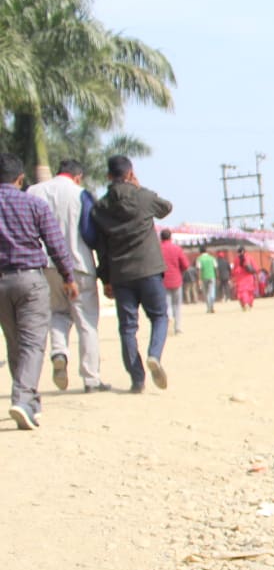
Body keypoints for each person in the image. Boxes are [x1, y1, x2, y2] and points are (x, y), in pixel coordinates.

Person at [0, 153, 80, 428]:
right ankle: (22, 399)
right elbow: (55, 243)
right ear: (20, 179)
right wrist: (68, 276)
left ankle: (29, 403)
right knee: (32, 344)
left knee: (14, 344)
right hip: (31, 280)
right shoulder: (33, 204)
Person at [26, 157, 110, 394]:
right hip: (78, 262)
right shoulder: (80, 194)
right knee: (87, 322)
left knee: (57, 312)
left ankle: (59, 351)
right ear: (78, 176)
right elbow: (90, 233)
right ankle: (91, 378)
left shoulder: (34, 190)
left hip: (45, 266)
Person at [91, 155, 173, 393]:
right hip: (149, 270)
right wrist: (139, 187)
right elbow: (166, 208)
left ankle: (137, 379)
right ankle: (154, 355)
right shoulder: (143, 197)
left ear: (108, 177)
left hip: (120, 275)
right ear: (130, 173)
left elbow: (101, 247)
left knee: (127, 327)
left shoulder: (100, 208)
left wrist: (105, 278)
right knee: (159, 317)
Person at [158, 228, 189, 334]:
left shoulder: (158, 249)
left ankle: (169, 318)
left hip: (163, 281)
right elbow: (185, 264)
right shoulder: (177, 249)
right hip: (176, 280)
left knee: (167, 304)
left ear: (160, 237)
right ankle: (178, 327)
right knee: (177, 304)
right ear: (170, 237)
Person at [232, 245, 257, 310]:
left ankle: (245, 304)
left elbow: (234, 270)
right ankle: (249, 303)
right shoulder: (249, 257)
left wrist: (234, 277)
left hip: (240, 278)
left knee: (242, 292)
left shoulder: (236, 259)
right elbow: (255, 268)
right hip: (249, 278)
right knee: (249, 292)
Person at [196, 244, 217, 312]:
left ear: (200, 251)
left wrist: (199, 279)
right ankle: (212, 304)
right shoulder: (212, 258)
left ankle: (208, 308)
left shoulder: (199, 259)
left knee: (206, 293)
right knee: (212, 291)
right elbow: (215, 268)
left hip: (204, 277)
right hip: (212, 276)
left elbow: (199, 269)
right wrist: (216, 276)